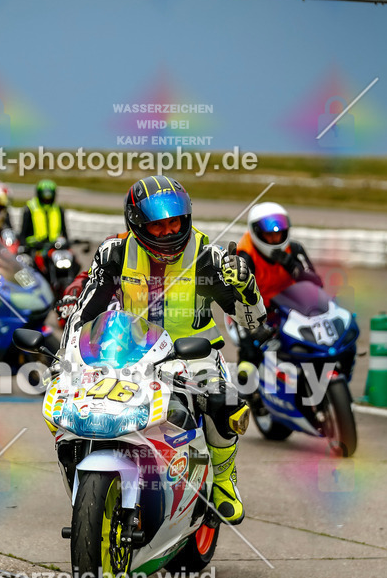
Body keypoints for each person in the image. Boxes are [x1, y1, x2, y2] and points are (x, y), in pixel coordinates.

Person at [63, 175, 266, 525]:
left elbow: (254, 322)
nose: (169, 232)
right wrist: (68, 362)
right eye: (158, 226)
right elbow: (85, 313)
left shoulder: (209, 258)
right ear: (137, 224)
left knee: (226, 403)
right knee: (74, 401)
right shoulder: (114, 253)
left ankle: (222, 479)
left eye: (175, 223)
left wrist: (247, 287)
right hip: (131, 350)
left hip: (193, 355)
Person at [236, 202, 322, 305]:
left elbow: (318, 284)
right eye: (269, 234)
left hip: (290, 310)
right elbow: (240, 298)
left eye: (278, 233)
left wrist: (292, 266)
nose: (275, 239)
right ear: (257, 232)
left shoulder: (295, 249)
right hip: (258, 314)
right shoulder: (245, 257)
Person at [19, 179, 67, 246]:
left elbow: (65, 233)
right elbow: (23, 233)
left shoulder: (58, 209)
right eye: (44, 195)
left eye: (50, 195)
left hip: (54, 247)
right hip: (34, 248)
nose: (47, 199)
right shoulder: (30, 209)